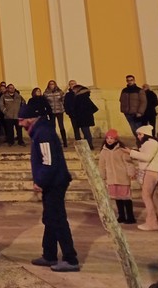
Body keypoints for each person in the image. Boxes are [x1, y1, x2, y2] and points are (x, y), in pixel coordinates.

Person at [18, 112, 80, 272]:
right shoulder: (40, 131)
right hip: (52, 182)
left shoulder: (43, 133)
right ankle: (49, 254)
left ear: (31, 118)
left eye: (21, 120)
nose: (20, 124)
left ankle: (70, 259)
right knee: (50, 218)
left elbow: (49, 161)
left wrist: (40, 181)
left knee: (58, 219)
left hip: (55, 183)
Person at [127, 125, 158, 231]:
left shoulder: (149, 143)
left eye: (140, 134)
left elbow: (146, 157)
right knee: (154, 197)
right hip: (157, 172)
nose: (138, 137)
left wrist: (131, 152)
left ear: (146, 135)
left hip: (150, 172)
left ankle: (152, 223)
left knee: (146, 196)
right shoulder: (157, 143)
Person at [98, 129, 136, 224]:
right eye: (107, 138)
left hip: (122, 177)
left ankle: (130, 217)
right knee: (117, 198)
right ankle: (121, 216)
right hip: (111, 178)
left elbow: (128, 163)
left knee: (126, 198)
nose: (109, 140)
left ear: (116, 139)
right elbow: (101, 165)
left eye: (111, 138)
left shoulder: (121, 150)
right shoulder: (104, 151)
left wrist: (131, 172)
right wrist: (102, 176)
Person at [71, 84, 96, 150]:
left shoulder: (80, 97)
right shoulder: (85, 96)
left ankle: (89, 145)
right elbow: (93, 108)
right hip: (86, 117)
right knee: (86, 131)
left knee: (86, 132)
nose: (73, 91)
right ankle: (89, 145)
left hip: (82, 117)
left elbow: (78, 108)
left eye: (74, 89)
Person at [43, 80, 68, 147]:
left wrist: (64, 108)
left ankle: (65, 142)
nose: (52, 85)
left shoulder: (60, 92)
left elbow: (63, 100)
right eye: (50, 84)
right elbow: (45, 103)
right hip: (51, 112)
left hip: (59, 111)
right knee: (52, 127)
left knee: (61, 126)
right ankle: (54, 141)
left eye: (53, 84)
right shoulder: (46, 93)